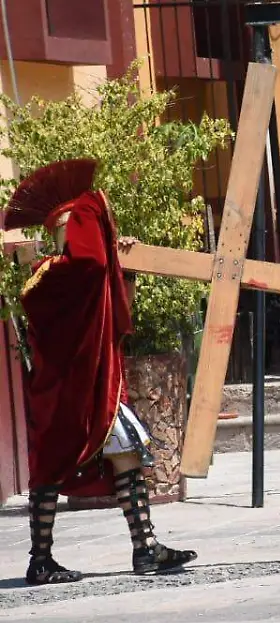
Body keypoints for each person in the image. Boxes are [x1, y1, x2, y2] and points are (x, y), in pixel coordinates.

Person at [3, 159, 198, 585]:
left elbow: (110, 296)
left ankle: (145, 547)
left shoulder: (74, 274)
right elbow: (91, 267)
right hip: (68, 393)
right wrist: (100, 227)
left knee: (127, 453)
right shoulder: (51, 276)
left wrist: (116, 254)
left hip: (94, 387)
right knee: (52, 468)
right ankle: (41, 559)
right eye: (79, 226)